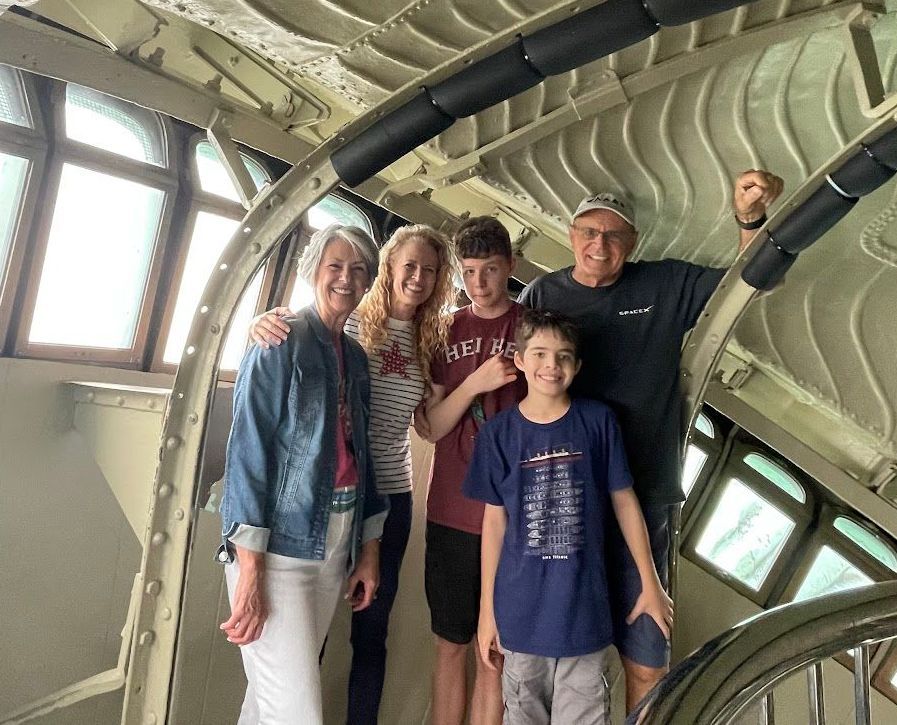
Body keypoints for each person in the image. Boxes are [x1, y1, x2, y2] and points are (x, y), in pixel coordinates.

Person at [517, 170, 783, 710]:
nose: (600, 244)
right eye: (589, 231)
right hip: (566, 500)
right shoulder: (543, 294)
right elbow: (515, 385)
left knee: (647, 657)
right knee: (554, 653)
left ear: (632, 245)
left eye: (614, 235)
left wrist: (750, 218)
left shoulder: (663, 284)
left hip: (646, 491)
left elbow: (752, 282)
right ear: (570, 235)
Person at [249, 224, 457, 724]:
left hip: (389, 498)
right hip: (333, 496)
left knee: (371, 632)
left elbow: (427, 426)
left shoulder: (432, 339)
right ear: (387, 268)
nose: (418, 278)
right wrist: (260, 322)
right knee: (306, 634)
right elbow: (299, 335)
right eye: (409, 266)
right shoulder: (353, 321)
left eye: (430, 271)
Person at [465, 309, 673, 724]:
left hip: (585, 618)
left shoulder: (597, 422)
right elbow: (493, 522)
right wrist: (487, 611)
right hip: (520, 618)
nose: (551, 365)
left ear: (577, 367)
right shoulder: (498, 434)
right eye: (539, 354)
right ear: (520, 360)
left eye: (563, 356)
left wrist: (651, 584)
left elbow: (625, 502)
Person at [217, 223, 389, 725]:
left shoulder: (355, 357)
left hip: (336, 544)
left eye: (359, 271)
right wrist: (249, 569)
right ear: (312, 270)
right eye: (335, 266)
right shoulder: (279, 339)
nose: (346, 279)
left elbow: (366, 455)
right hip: (279, 550)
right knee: (297, 712)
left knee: (270, 700)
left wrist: (369, 549)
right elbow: (248, 453)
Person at [417, 216, 527, 725]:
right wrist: (477, 382)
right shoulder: (446, 329)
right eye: (469, 271)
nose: (478, 283)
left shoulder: (530, 329)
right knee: (450, 647)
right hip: (451, 513)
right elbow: (433, 427)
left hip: (511, 519)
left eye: (490, 270)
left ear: (511, 267)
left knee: (494, 654)